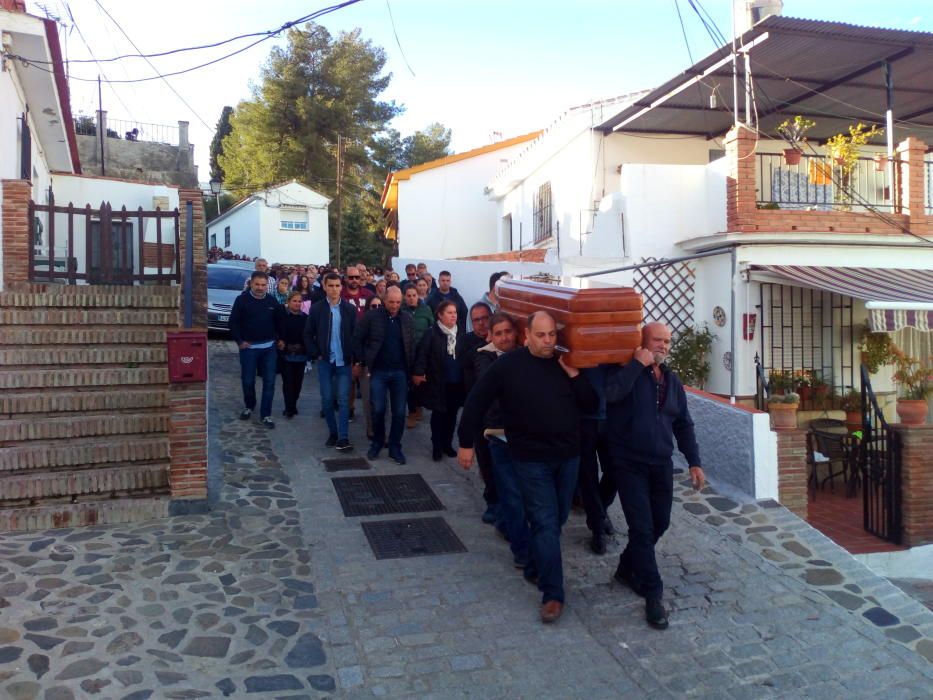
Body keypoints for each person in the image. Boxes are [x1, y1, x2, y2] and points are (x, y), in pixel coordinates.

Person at [457, 311, 597, 624]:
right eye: (541, 335)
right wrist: (466, 442)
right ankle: (553, 594)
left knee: (558, 518)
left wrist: (575, 375)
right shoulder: (508, 366)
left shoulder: (565, 363)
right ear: (528, 336)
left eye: (552, 335)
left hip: (568, 456)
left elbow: (591, 405)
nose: (548, 341)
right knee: (545, 523)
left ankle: (535, 566)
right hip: (530, 458)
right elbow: (477, 401)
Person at [605, 322, 705, 631]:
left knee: (660, 522)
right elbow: (610, 395)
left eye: (667, 341)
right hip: (629, 462)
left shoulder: (672, 381)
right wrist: (636, 364)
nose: (663, 345)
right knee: (643, 528)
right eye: (656, 340)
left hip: (661, 463)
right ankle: (653, 593)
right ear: (643, 343)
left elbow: (683, 424)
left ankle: (625, 567)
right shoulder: (626, 372)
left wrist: (694, 462)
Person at [473, 313, 531, 573]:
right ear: (491, 336)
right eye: (499, 333)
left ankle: (506, 526)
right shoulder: (484, 357)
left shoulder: (524, 355)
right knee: (513, 493)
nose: (505, 337)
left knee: (517, 493)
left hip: (524, 435)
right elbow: (493, 391)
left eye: (508, 331)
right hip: (498, 433)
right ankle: (521, 551)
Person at [353, 286, 416, 464]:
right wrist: (361, 361)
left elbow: (411, 344)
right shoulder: (372, 317)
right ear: (384, 300)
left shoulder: (407, 319)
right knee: (378, 409)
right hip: (378, 371)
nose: (394, 305)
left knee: (398, 412)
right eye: (391, 302)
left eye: (398, 302)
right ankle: (377, 442)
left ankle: (395, 446)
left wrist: (412, 371)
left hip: (400, 373)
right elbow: (357, 338)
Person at [304, 272, 357, 451]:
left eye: (337, 286)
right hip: (326, 361)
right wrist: (316, 353)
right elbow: (307, 333)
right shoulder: (317, 308)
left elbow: (355, 334)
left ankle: (343, 437)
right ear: (325, 287)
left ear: (341, 287)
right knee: (327, 399)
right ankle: (333, 432)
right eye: (331, 286)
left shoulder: (349, 309)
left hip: (344, 361)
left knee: (343, 399)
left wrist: (354, 356)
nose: (334, 289)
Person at [456, 303, 498, 523]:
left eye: (485, 318)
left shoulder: (501, 341)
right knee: (485, 460)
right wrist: (486, 343)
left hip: (499, 412)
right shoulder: (467, 341)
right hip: (478, 411)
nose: (481, 323)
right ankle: (492, 501)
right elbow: (464, 360)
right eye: (477, 320)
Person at [413, 301, 465, 462]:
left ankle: (447, 445)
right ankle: (436, 446)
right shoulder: (432, 333)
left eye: (455, 312)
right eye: (449, 313)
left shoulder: (460, 333)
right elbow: (422, 355)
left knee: (451, 416)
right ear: (440, 315)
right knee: (438, 416)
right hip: (438, 381)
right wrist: (418, 373)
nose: (453, 315)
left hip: (456, 382)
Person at [229, 271, 280, 428]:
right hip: (249, 348)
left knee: (270, 382)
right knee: (248, 380)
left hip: (269, 348)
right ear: (251, 284)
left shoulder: (272, 301)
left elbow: (279, 322)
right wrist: (239, 341)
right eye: (257, 284)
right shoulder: (242, 300)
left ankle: (266, 414)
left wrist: (277, 339)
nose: (260, 287)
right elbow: (233, 322)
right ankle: (249, 405)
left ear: (267, 286)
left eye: (263, 285)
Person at [577, 365, 617, 555]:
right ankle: (597, 528)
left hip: (612, 416)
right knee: (587, 475)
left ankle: (599, 512)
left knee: (616, 471)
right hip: (582, 418)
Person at [403, 286, 434, 429]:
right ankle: (412, 412)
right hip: (407, 352)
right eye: (408, 295)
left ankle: (419, 405)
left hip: (423, 352)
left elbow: (432, 327)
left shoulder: (426, 310)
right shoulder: (401, 311)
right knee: (409, 384)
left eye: (414, 295)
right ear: (404, 297)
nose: (411, 298)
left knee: (420, 382)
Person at [276, 291, 309, 419]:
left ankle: (293, 404)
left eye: (299, 301)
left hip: (301, 355)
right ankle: (288, 407)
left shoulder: (306, 318)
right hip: (286, 355)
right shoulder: (283, 317)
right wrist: (279, 341)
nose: (297, 303)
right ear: (288, 302)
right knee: (288, 382)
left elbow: (309, 335)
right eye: (294, 301)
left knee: (298, 383)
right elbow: (277, 332)